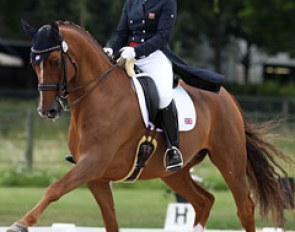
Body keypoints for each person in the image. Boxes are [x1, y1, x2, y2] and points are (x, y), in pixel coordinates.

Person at [103, 0, 223, 172]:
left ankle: (173, 149)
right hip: (127, 55)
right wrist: (109, 49)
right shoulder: (131, 1)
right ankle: (96, 145)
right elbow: (121, 34)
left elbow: (162, 36)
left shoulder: (167, 1)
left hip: (154, 56)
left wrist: (137, 51)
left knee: (163, 97)